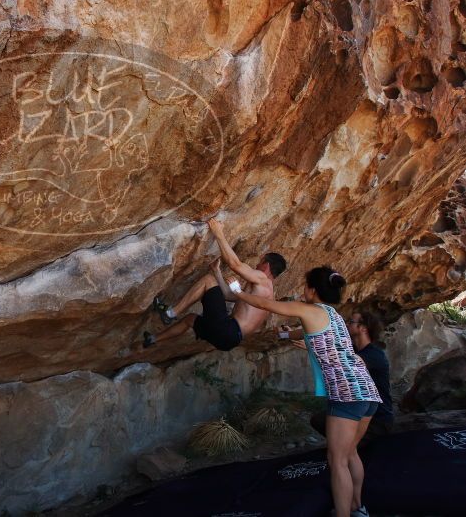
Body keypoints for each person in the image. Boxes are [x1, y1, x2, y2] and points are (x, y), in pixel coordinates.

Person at [232, 266, 382, 517]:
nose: (303, 290)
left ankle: (344, 514)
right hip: (367, 391)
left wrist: (237, 293)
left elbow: (269, 305)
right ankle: (358, 508)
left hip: (346, 394)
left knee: (337, 462)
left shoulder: (307, 309)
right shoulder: (333, 315)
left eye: (305, 286)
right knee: (351, 453)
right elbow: (328, 344)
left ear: (312, 289)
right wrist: (296, 339)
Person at [143, 218, 286, 351]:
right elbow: (229, 296)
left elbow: (235, 264)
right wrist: (217, 272)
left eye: (260, 262)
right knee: (190, 320)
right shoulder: (267, 295)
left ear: (266, 266)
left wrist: (218, 233)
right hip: (229, 341)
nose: (256, 264)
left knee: (208, 281)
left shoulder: (262, 279)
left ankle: (170, 313)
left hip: (227, 329)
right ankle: (153, 339)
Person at [305, 310, 394, 444]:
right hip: (359, 410)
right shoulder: (352, 349)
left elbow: (347, 361)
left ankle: (352, 448)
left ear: (363, 328)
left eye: (351, 322)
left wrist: (315, 347)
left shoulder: (375, 354)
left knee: (337, 439)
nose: (346, 325)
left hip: (377, 420)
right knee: (319, 420)